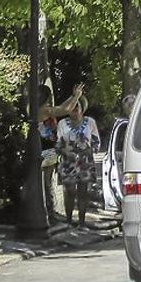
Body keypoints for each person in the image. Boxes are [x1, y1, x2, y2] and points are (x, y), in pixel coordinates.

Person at [39, 83, 84, 220]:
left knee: (48, 182)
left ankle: (50, 211)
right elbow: (65, 109)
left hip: (48, 149)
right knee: (46, 183)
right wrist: (76, 96)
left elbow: (62, 107)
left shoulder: (43, 109)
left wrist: (73, 96)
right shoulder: (44, 110)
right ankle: (49, 213)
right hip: (44, 150)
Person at [56, 96, 100, 227]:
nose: (74, 111)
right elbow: (58, 143)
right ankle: (68, 220)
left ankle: (81, 221)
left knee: (83, 191)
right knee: (69, 190)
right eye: (72, 108)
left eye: (77, 108)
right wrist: (66, 152)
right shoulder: (62, 124)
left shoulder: (90, 122)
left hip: (85, 161)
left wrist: (91, 149)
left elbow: (96, 141)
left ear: (82, 109)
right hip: (68, 162)